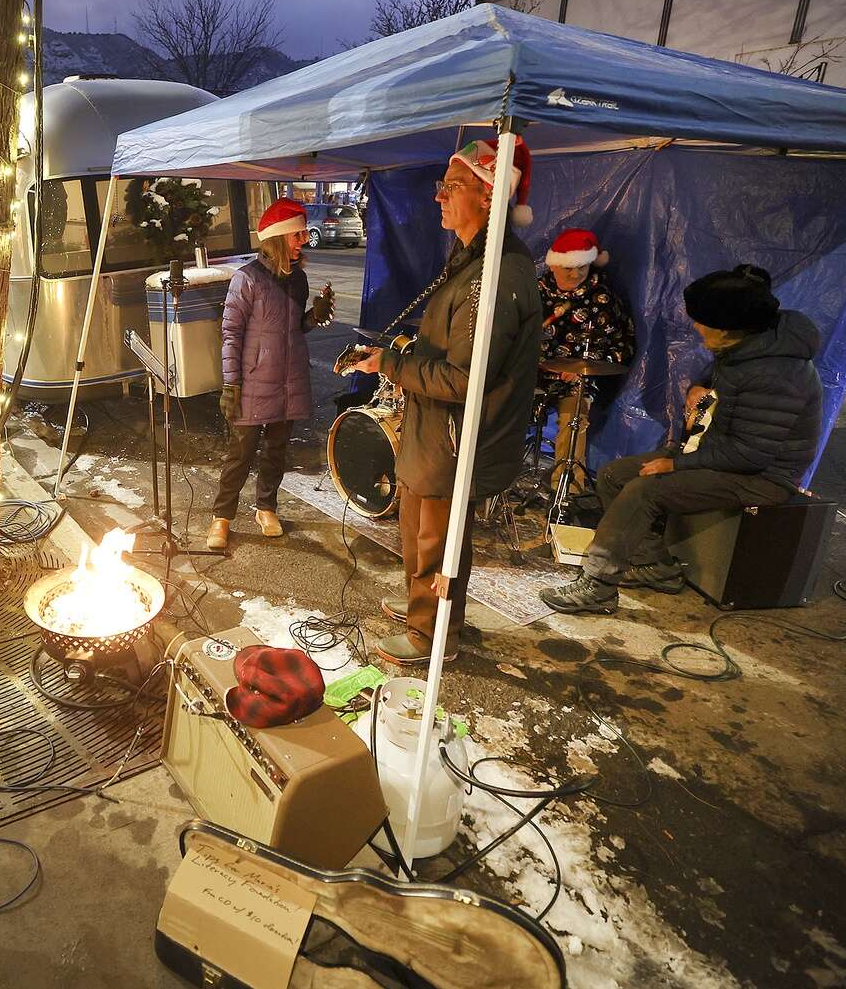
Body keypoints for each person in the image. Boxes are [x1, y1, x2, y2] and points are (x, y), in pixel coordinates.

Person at [346, 137, 542, 665]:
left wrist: (390, 365)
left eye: (451, 187)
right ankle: (424, 606)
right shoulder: (471, 260)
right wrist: (405, 353)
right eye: (443, 186)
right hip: (434, 432)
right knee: (419, 531)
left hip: (455, 439)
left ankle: (430, 635)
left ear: (488, 195)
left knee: (438, 540)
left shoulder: (496, 274)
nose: (438, 197)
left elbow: (463, 379)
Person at [540, 264, 821, 615]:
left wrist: (676, 464)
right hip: (718, 451)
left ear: (728, 329)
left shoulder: (776, 375)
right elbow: (728, 374)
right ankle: (654, 565)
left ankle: (598, 586)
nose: (696, 327)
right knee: (614, 475)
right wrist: (701, 385)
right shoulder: (752, 343)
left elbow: (750, 454)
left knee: (644, 490)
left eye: (703, 322)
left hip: (762, 478)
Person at [208, 198, 334, 550]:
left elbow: (295, 328)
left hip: (289, 379)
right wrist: (231, 383)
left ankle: (266, 507)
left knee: (276, 450)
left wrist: (314, 316)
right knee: (241, 452)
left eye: (304, 234)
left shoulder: (299, 279)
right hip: (253, 381)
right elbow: (231, 333)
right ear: (278, 237)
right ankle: (221, 516)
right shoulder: (246, 279)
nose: (303, 241)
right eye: (297, 235)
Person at [534, 228, 636, 489]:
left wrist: (581, 367)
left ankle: (566, 489)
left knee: (574, 415)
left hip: (579, 377)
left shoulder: (602, 299)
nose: (576, 274)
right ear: (554, 265)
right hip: (534, 372)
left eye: (582, 268)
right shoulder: (536, 292)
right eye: (569, 268)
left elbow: (621, 344)